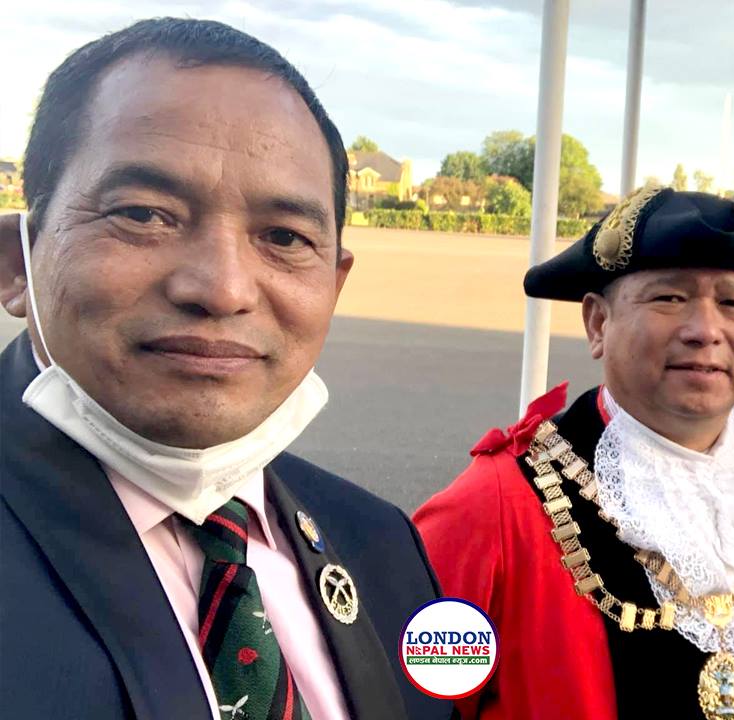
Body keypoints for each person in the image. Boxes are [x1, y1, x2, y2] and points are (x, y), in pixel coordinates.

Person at [0, 19, 452, 720]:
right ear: (16, 263)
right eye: (144, 214)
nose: (223, 289)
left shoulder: (382, 545)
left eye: (284, 237)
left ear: (333, 284)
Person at [414, 186, 734, 719]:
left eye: (733, 303)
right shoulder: (493, 506)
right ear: (598, 323)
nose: (706, 330)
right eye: (669, 298)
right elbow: (407, 703)